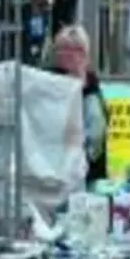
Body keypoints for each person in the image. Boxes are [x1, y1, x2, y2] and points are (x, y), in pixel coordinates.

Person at [52, 26, 107, 185]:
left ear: (83, 53)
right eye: (59, 48)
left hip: (85, 173)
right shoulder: (51, 79)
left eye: (69, 49)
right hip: (55, 169)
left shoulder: (90, 89)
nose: (63, 54)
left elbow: (95, 136)